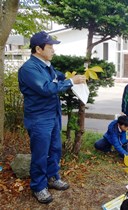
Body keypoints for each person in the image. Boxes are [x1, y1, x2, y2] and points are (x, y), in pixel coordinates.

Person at [18, 31, 86, 203]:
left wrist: (72, 78)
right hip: (39, 118)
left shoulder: (47, 66)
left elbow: (59, 78)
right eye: (50, 47)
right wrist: (71, 82)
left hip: (52, 114)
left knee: (55, 148)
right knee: (40, 153)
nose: (53, 50)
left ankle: (53, 177)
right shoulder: (28, 69)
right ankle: (39, 186)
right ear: (39, 49)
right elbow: (47, 88)